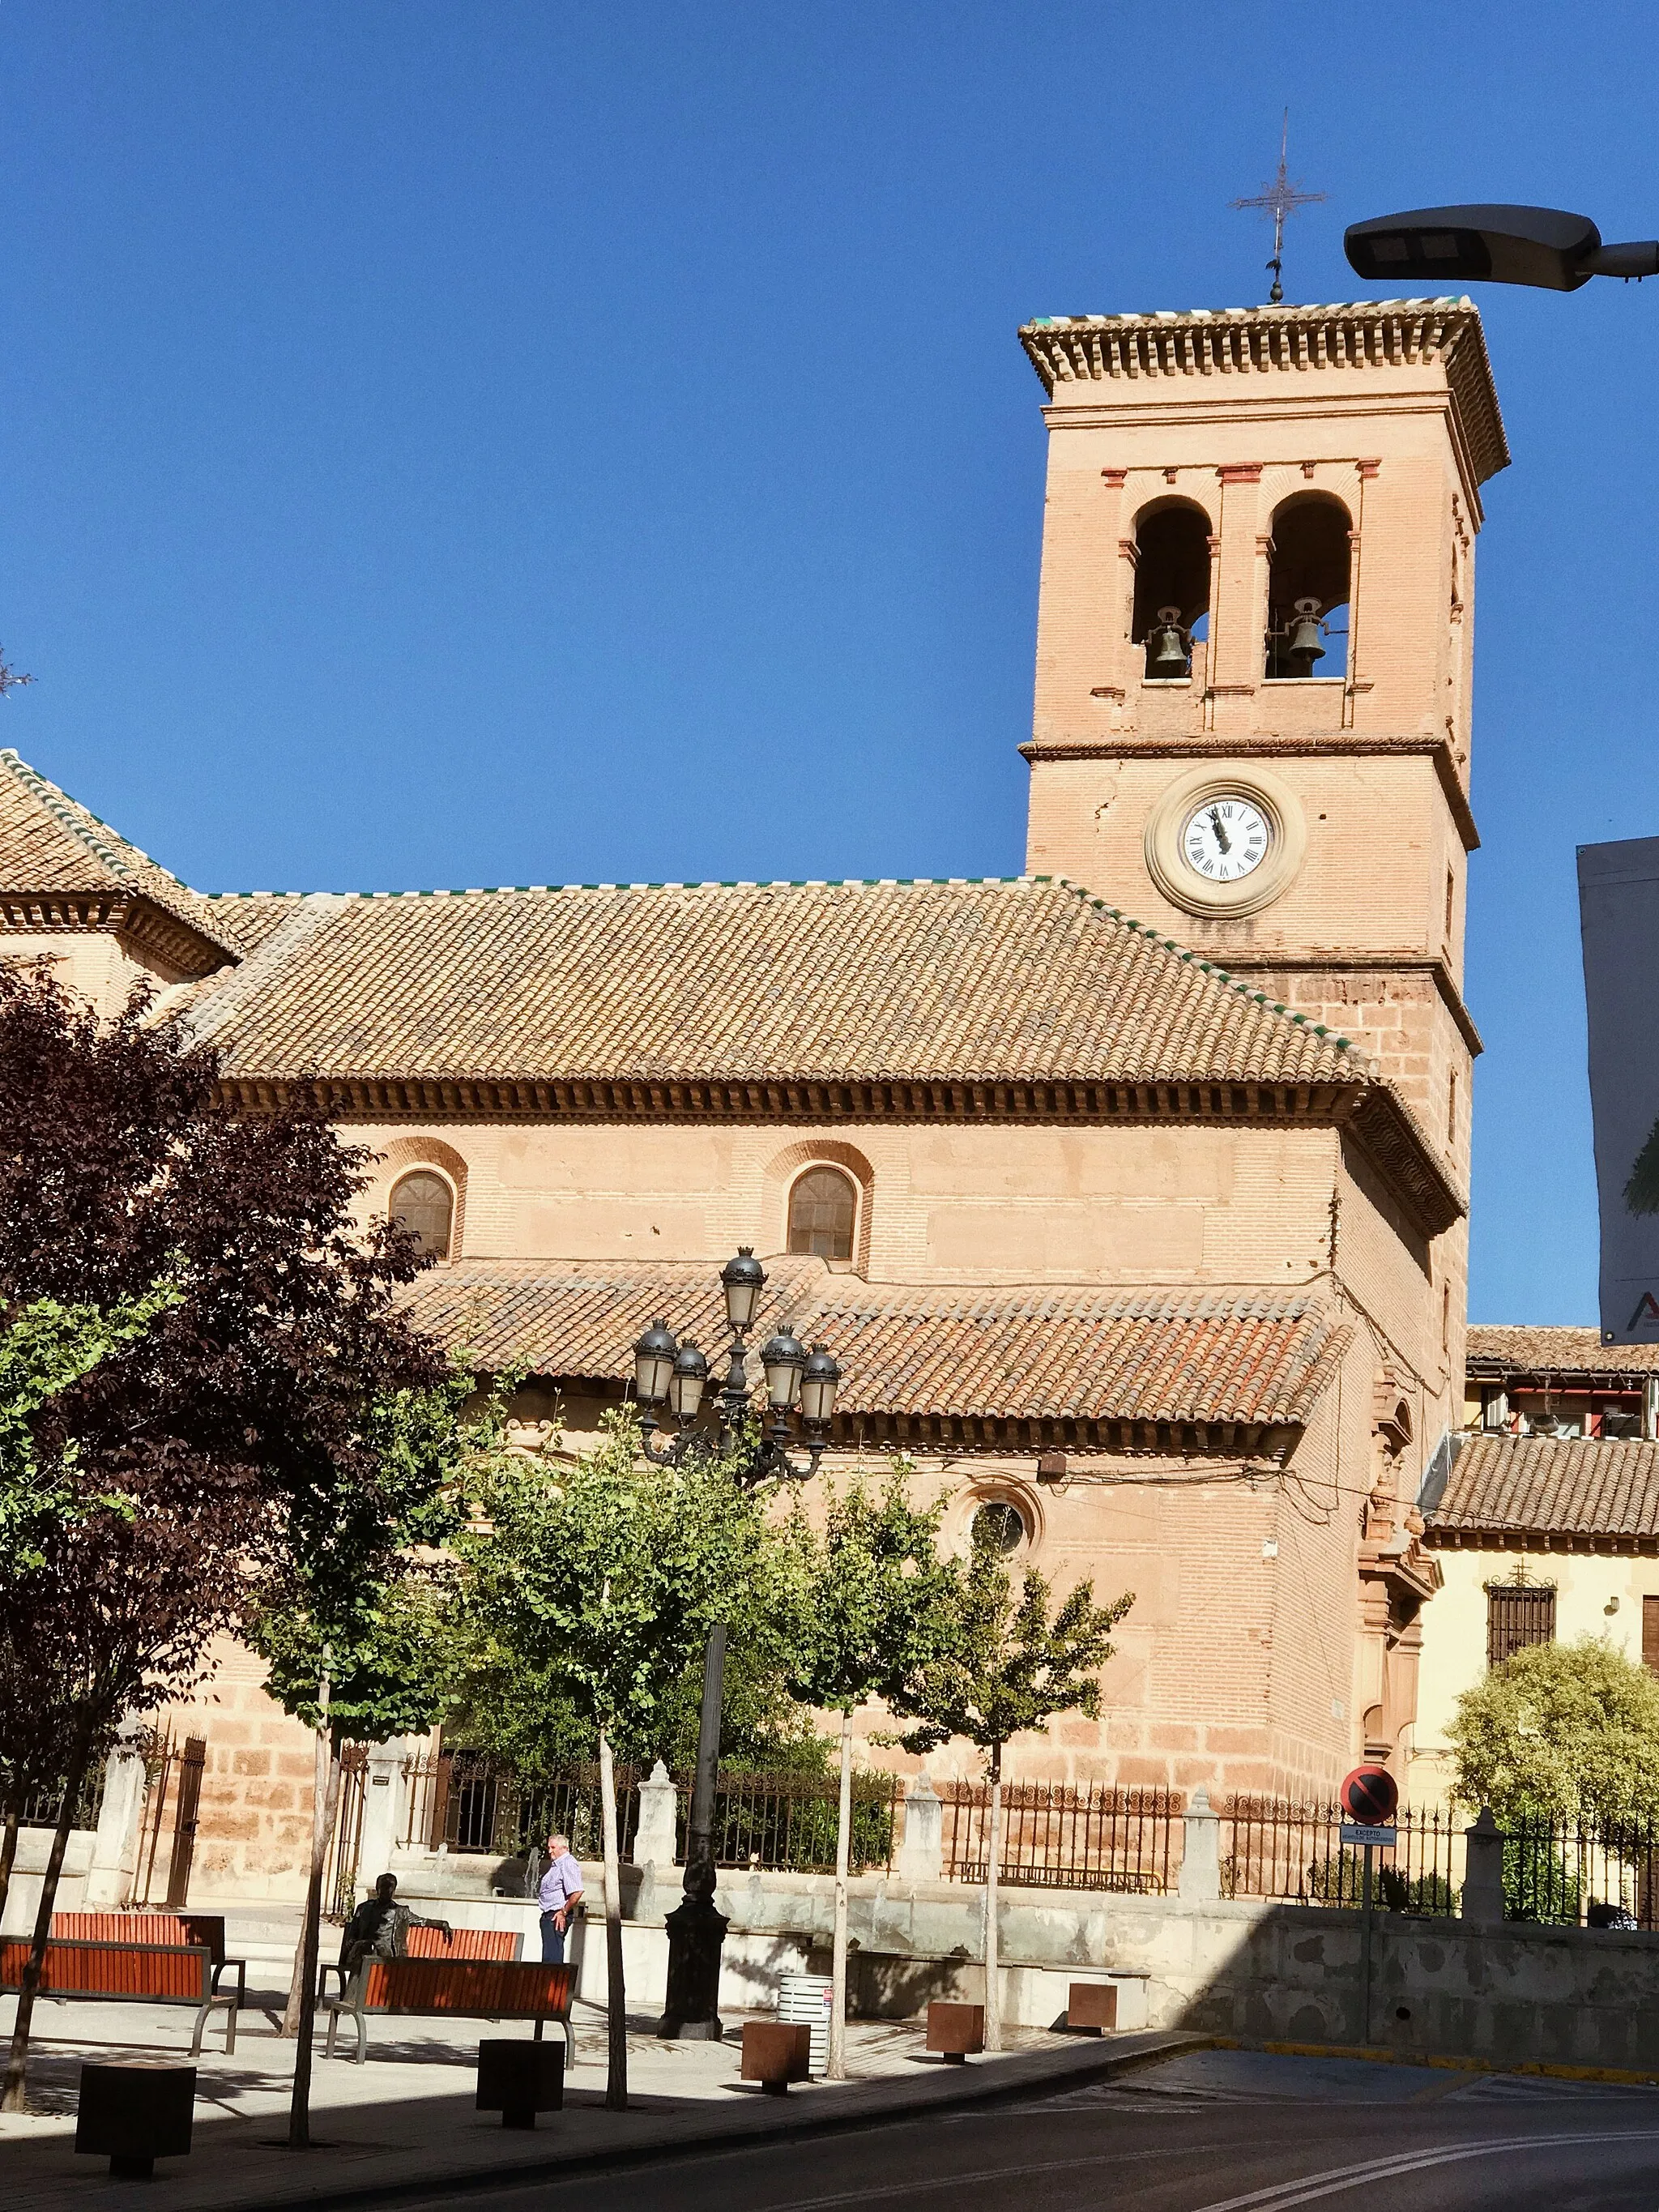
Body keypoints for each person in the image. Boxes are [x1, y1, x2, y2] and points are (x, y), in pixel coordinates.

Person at [338, 1872, 455, 1979]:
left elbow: (423, 1921)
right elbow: (352, 1934)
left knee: (375, 1953)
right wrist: (348, 1952)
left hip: (390, 1958)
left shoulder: (401, 1912)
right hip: (365, 1954)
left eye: (390, 1889)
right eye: (384, 1888)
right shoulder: (364, 1908)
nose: (387, 1892)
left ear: (394, 1891)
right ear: (377, 1889)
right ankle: (352, 1999)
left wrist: (441, 1923)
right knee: (366, 1951)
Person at [538, 1831, 584, 1964]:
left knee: (552, 1959)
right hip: (550, 1915)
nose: (550, 1851)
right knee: (549, 1957)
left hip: (556, 1915)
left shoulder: (567, 1863)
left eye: (553, 1847)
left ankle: (553, 1983)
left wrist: (563, 1912)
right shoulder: (557, 1865)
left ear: (564, 1848)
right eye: (549, 1847)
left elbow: (577, 1891)